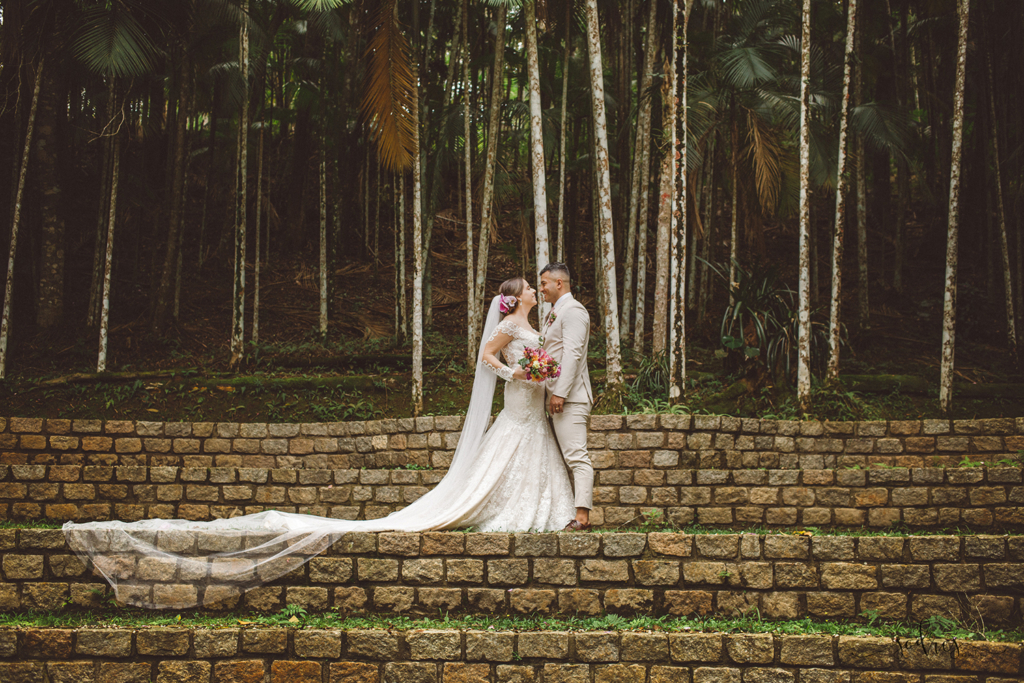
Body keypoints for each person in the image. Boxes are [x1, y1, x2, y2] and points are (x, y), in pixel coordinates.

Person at [63, 276, 577, 609]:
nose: (535, 289)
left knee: (532, 444)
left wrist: (537, 375)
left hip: (533, 402)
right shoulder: (510, 324)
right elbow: (485, 358)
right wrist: (514, 371)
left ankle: (543, 504)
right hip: (517, 400)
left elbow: (547, 357)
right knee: (510, 441)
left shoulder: (539, 322)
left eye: (537, 286)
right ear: (516, 298)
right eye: (530, 287)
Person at [538, 263, 594, 531]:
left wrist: (559, 392)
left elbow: (572, 353)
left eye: (544, 284)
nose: (541, 289)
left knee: (576, 456)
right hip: (557, 395)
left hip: (570, 397)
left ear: (559, 283)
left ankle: (582, 518)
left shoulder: (573, 310)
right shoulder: (555, 312)